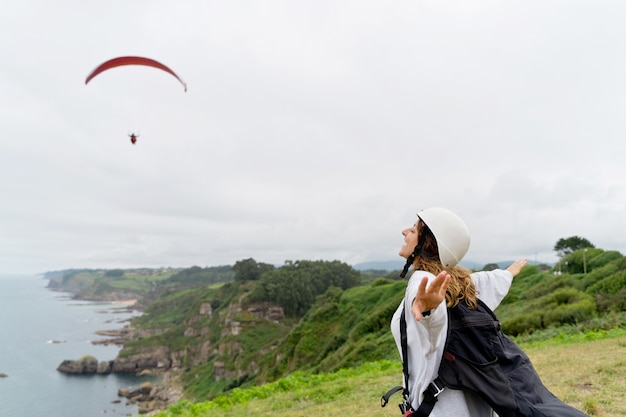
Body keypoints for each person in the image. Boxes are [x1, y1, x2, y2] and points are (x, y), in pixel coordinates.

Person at [383, 207, 589, 417]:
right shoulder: (460, 284)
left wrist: (428, 310)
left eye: (414, 229)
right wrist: (507, 274)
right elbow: (486, 281)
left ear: (428, 242)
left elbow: (432, 326)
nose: (405, 231)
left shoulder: (421, 281)